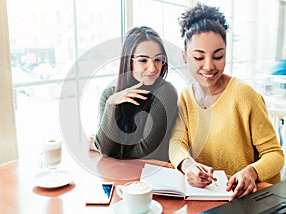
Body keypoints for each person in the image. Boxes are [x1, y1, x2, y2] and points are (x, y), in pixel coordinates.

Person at [169, 3, 284, 201]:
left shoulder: (245, 95)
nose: (208, 66)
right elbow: (177, 142)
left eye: (218, 56)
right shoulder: (185, 97)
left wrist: (251, 172)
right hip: (206, 198)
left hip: (248, 199)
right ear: (184, 56)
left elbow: (275, 154)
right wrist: (187, 165)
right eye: (198, 57)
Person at [93, 26, 178, 162]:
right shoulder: (110, 95)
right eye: (143, 60)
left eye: (157, 59)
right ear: (128, 61)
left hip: (154, 175)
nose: (153, 68)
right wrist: (111, 104)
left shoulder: (166, 92)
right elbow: (105, 149)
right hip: (119, 175)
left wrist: (107, 147)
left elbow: (146, 153)